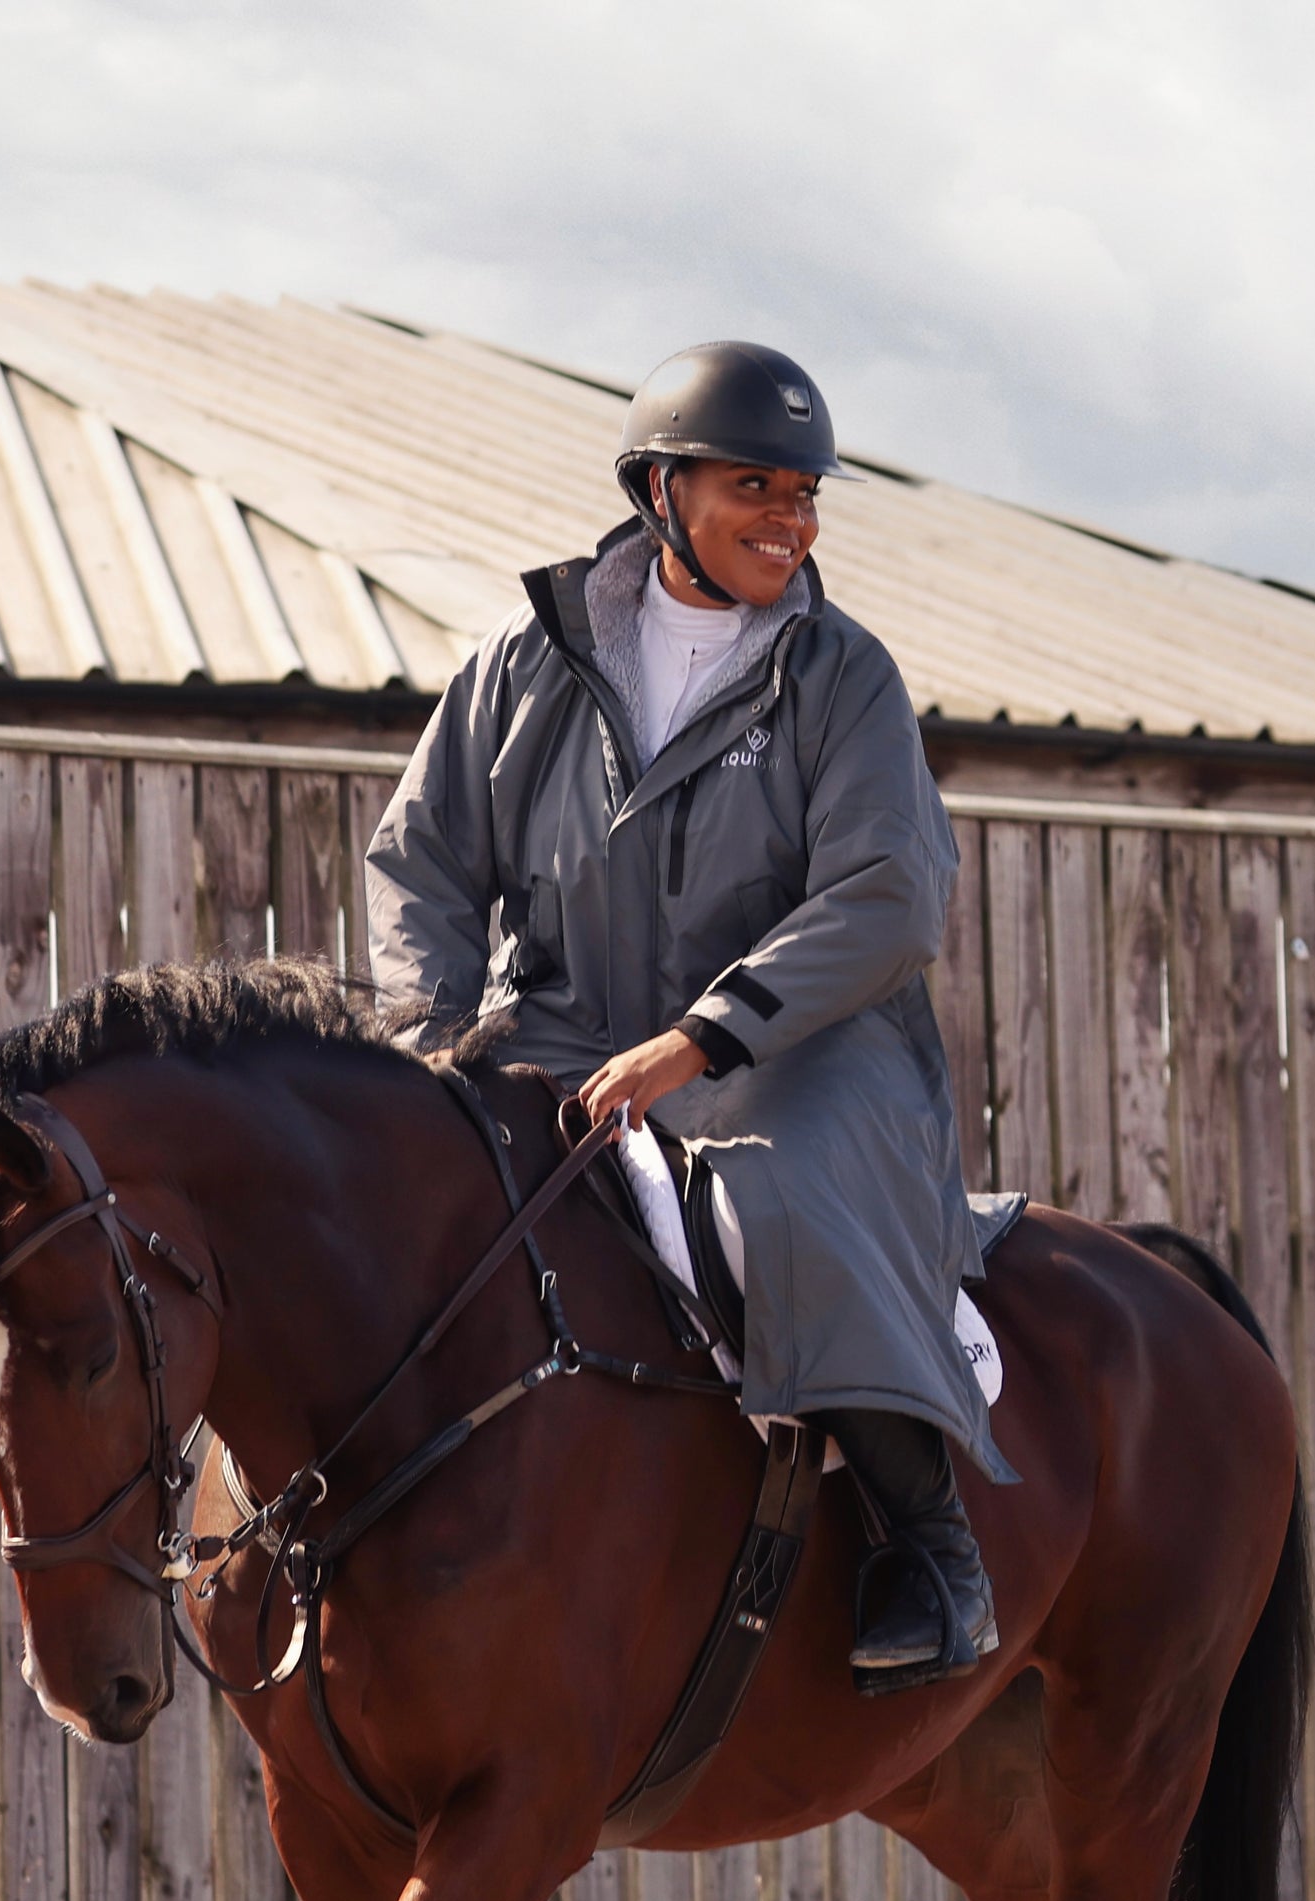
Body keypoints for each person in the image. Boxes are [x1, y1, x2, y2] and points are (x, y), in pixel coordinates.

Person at [367, 340, 1010, 1683]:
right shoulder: (520, 664)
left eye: (807, 493)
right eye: (756, 485)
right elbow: (419, 860)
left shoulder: (844, 679)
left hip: (802, 1055)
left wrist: (701, 1037)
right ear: (662, 491)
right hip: (558, 1037)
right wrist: (433, 1039)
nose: (793, 518)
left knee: (773, 1197)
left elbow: (888, 896)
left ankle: (930, 1540)